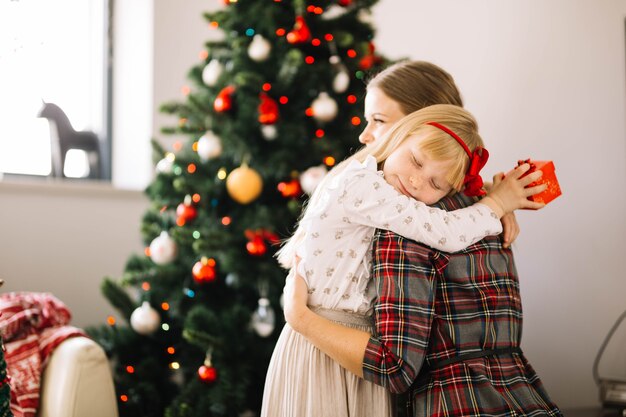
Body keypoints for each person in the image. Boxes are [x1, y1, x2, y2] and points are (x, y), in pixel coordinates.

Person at [282, 61, 562, 416]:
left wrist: (494, 200)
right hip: (513, 395)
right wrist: (494, 202)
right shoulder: (430, 208)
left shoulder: (412, 222)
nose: (364, 135)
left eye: (378, 120)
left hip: (381, 374)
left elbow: (393, 364)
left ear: (420, 123)